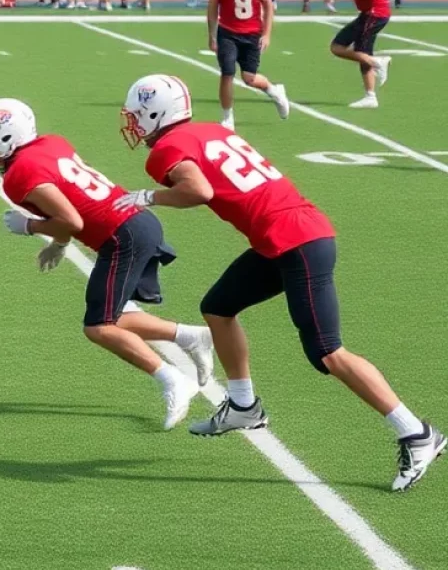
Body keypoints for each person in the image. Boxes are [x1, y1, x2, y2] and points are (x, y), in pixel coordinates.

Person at [117, 73, 445, 491]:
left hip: (296, 242)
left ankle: (416, 433)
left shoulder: (167, 148)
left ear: (154, 113)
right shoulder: (211, 129)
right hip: (286, 237)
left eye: (137, 116)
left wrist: (149, 196)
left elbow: (198, 190)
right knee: (218, 306)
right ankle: (242, 404)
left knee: (328, 353)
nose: (133, 124)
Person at [0, 98, 213, 430]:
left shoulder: (18, 176)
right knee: (120, 314)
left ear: (5, 137)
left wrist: (30, 227)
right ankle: (189, 336)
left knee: (99, 326)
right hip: (138, 221)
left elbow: (71, 220)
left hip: (123, 236)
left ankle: (172, 378)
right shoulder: (50, 143)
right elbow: (70, 202)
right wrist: (58, 245)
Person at [205, 0, 290, 130]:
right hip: (227, 31)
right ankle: (227, 117)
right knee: (227, 72)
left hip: (252, 32)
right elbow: (212, 7)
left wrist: (267, 33)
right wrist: (211, 34)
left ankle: (274, 90)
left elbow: (268, 5)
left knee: (249, 78)